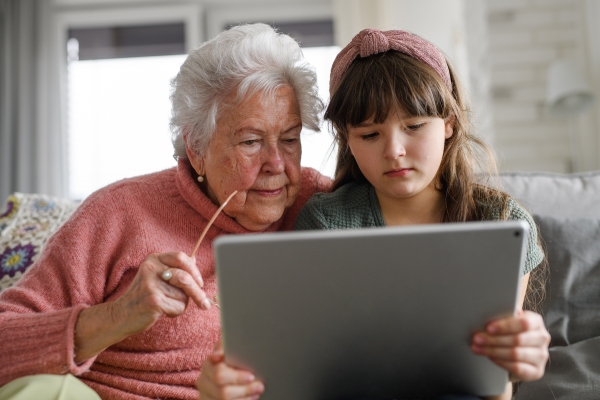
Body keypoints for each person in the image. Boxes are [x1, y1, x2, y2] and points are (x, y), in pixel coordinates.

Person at [194, 29, 551, 400]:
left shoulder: (502, 222)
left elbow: (495, 386)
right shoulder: (325, 220)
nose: (394, 150)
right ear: (346, 138)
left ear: (448, 122)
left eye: (413, 127)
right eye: (369, 135)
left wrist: (516, 360)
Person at [0, 23, 331, 400]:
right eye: (251, 142)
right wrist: (119, 316)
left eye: (289, 139)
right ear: (196, 150)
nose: (276, 163)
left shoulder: (322, 206)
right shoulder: (118, 213)